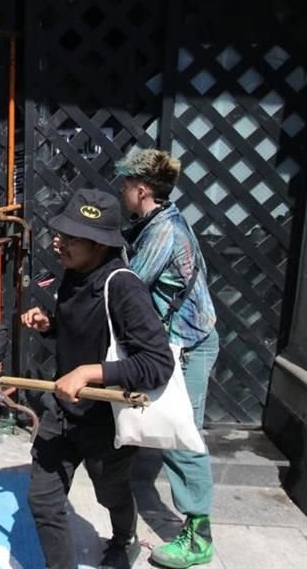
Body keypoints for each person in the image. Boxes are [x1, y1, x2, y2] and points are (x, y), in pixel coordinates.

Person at [21, 189, 175, 569]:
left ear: (101, 244)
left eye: (71, 237)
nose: (59, 242)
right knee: (43, 501)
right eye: (60, 233)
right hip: (62, 409)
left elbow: (157, 362)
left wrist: (91, 373)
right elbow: (86, 335)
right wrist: (49, 327)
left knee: (111, 492)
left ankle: (124, 540)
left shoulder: (123, 286)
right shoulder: (73, 275)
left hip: (106, 419)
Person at [116, 149, 219, 568]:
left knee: (182, 435)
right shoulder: (155, 222)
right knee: (176, 430)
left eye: (124, 185)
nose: (121, 191)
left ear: (141, 190)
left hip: (190, 345)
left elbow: (131, 286)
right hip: (180, 341)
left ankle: (199, 537)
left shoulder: (164, 232)